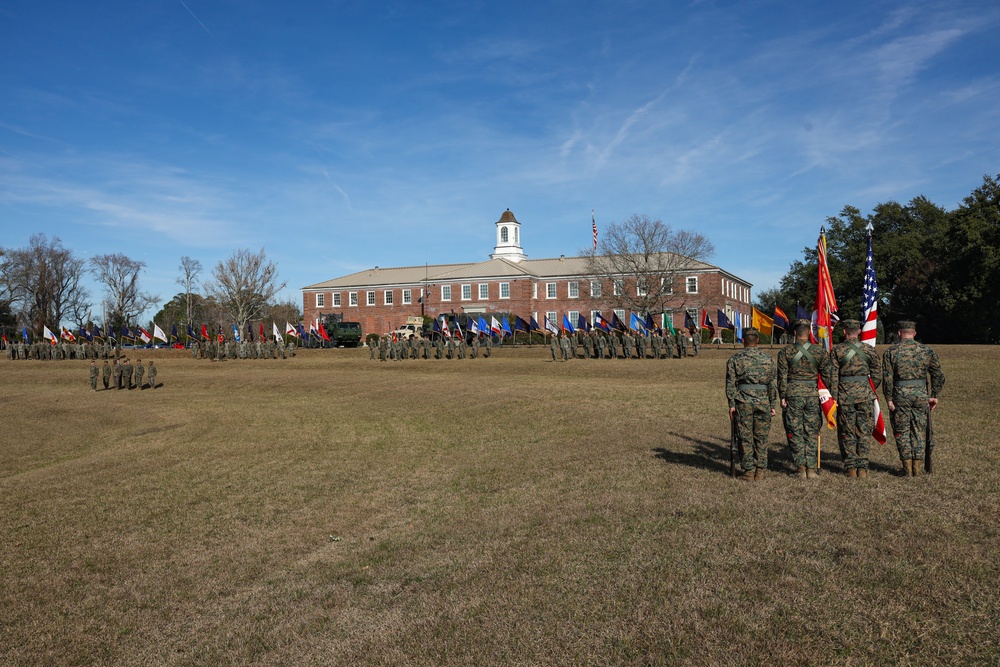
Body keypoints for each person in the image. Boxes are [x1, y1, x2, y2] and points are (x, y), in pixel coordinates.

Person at [882, 320, 945, 476]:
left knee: (902, 431)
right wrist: (934, 395)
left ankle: (907, 468)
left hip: (900, 395)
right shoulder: (926, 351)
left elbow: (888, 378)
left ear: (899, 333)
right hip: (920, 395)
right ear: (914, 333)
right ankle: (917, 468)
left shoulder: (891, 352)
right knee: (918, 430)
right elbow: (938, 375)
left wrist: (889, 398)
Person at [777, 319, 833, 479]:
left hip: (793, 394)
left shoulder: (785, 352)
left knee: (795, 431)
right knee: (811, 431)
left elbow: (782, 377)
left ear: (795, 333)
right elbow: (827, 375)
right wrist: (827, 393)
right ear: (809, 332)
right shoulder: (819, 351)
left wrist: (782, 396)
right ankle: (811, 468)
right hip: (812, 395)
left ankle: (800, 467)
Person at [831, 320, 881, 478]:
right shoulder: (869, 350)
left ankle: (851, 467)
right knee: (863, 431)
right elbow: (878, 375)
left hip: (845, 396)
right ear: (859, 331)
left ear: (845, 331)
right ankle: (863, 467)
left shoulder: (837, 350)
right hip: (865, 396)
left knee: (847, 431)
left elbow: (832, 377)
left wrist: (835, 396)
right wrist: (867, 388)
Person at [726, 327, 777, 480]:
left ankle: (748, 471)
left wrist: (731, 404)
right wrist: (772, 404)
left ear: (743, 341)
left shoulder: (735, 359)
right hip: (763, 402)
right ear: (758, 340)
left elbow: (730, 384)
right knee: (761, 437)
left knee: (745, 437)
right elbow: (772, 384)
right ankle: (760, 471)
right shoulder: (768, 359)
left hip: (743, 402)